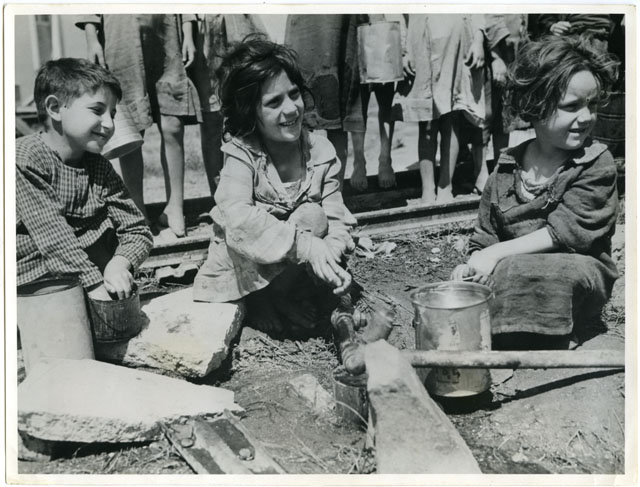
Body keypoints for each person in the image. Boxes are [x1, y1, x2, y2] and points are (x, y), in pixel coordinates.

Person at [451, 35, 620, 349]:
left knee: (554, 273)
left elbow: (566, 233)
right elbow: (487, 233)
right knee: (488, 279)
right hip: (512, 267)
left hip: (576, 266)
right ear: (536, 106)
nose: (586, 117)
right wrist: (474, 263)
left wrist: (494, 255)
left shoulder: (595, 163)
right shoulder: (507, 166)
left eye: (592, 105)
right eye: (572, 107)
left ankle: (555, 332)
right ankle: (511, 333)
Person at [193, 37, 356, 337]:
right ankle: (261, 299)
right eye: (274, 102)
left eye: (294, 94)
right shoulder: (242, 154)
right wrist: (307, 247)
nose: (291, 109)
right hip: (247, 261)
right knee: (244, 228)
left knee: (313, 216)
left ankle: (285, 295)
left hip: (295, 265)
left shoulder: (320, 151)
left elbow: (335, 216)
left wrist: (330, 256)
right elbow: (238, 218)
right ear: (249, 111)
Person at [16, 58, 153, 301]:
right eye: (97, 110)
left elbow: (137, 229)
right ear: (55, 108)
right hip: (32, 286)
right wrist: (97, 289)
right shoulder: (25, 159)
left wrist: (120, 264)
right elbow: (54, 238)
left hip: (85, 281)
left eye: (112, 114)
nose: (109, 124)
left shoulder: (99, 166)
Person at [78, 14, 202, 239]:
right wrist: (91, 39)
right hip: (120, 35)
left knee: (173, 123)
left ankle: (175, 208)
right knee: (131, 126)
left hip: (166, 33)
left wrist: (188, 32)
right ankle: (137, 210)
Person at [393, 14, 487, 204]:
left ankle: (446, 185)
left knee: (451, 116)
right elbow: (399, 13)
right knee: (426, 120)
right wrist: (402, 50)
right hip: (420, 39)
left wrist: (478, 40)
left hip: (455, 39)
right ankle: (427, 188)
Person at [189, 14, 269, 197]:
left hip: (241, 22)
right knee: (211, 118)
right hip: (205, 29)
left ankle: (259, 189)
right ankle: (219, 195)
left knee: (250, 109)